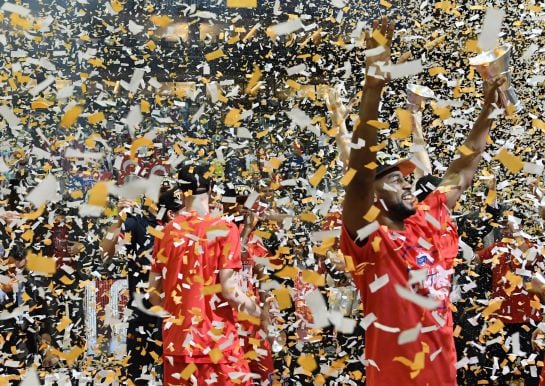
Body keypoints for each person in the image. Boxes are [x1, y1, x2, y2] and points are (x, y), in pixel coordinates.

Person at [339, 16, 503, 385]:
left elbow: (465, 164)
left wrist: (488, 109)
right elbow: (360, 173)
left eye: (405, 179)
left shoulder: (428, 220)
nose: (407, 185)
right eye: (394, 182)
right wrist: (374, 88)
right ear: (374, 200)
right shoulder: (369, 238)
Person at [148, 163, 262, 386]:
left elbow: (153, 295)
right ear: (211, 190)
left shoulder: (164, 232)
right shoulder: (225, 229)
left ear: (181, 192)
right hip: (218, 345)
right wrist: (261, 314)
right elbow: (231, 292)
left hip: (177, 346)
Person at [101, 188, 183, 385]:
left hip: (173, 317)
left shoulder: (187, 232)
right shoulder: (138, 224)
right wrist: (119, 219)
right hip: (142, 316)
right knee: (138, 377)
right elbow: (105, 252)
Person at [477, 214, 541, 385]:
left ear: (521, 226)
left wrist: (517, 233)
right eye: (503, 225)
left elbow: (530, 257)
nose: (505, 228)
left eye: (509, 224)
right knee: (499, 368)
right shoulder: (496, 248)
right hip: (499, 319)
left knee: (529, 368)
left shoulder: (532, 247)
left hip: (527, 319)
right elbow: (473, 259)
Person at [0, 241, 59, 385]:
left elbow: (44, 311)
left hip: (29, 340)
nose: (15, 272)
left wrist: (48, 344)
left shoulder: (35, 280)